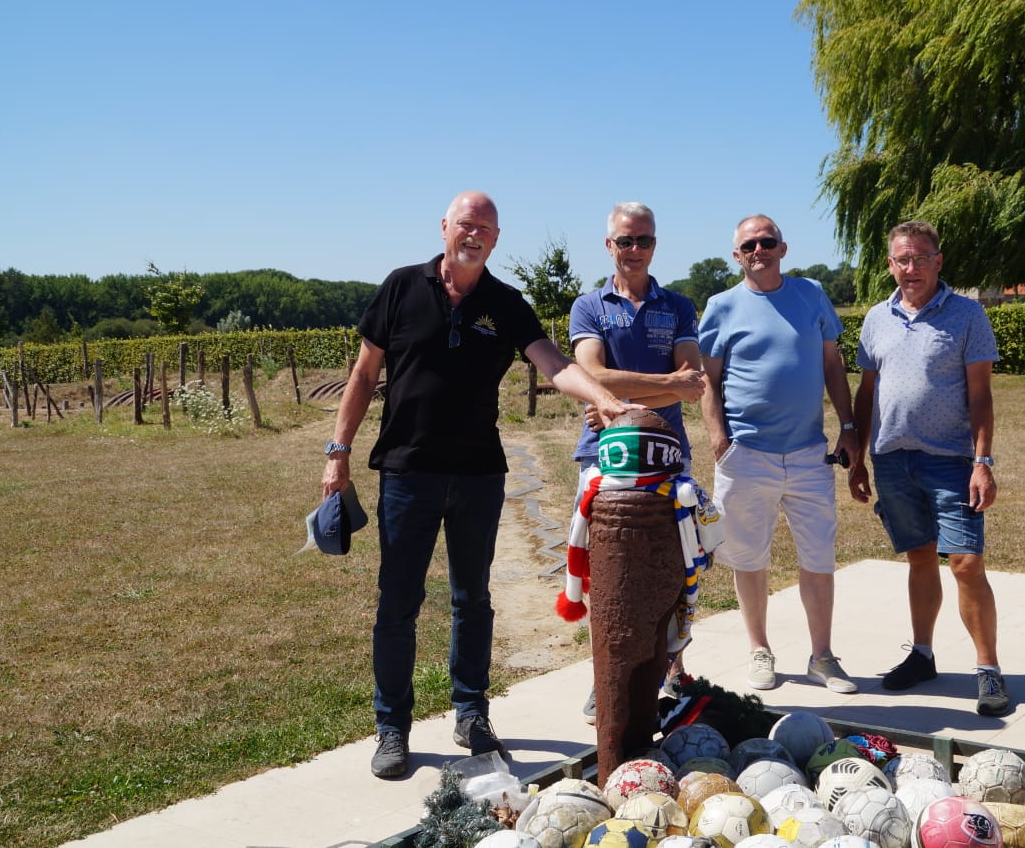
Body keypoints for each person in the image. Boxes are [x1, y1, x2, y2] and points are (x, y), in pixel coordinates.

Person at [321, 190, 634, 779]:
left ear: (496, 238)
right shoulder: (400, 287)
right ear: (444, 227)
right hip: (407, 473)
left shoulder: (505, 303)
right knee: (398, 602)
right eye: (467, 224)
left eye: (486, 229)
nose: (475, 235)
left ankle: (471, 713)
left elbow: (556, 364)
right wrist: (337, 453)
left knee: (474, 600)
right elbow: (364, 373)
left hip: (478, 475)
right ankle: (393, 728)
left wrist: (605, 398)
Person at [846, 220, 1010, 717]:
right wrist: (857, 451)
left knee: (966, 562)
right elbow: (868, 392)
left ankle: (989, 670)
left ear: (938, 261)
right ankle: (922, 655)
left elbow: (981, 397)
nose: (910, 268)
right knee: (919, 557)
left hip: (951, 461)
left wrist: (982, 462)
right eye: (901, 260)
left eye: (920, 258)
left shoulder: (967, 316)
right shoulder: (877, 318)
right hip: (892, 459)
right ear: (890, 265)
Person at [698, 213, 859, 695]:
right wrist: (718, 439)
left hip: (810, 453)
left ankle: (823, 657)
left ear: (783, 248)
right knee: (748, 557)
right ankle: (759, 649)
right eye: (748, 245)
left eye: (766, 242)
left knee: (819, 557)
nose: (758, 251)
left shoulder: (811, 295)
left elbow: (833, 364)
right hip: (746, 454)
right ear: (737, 255)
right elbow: (708, 378)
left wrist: (848, 426)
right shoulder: (721, 306)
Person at [568, 201, 706, 724]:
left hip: (669, 456)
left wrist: (624, 388)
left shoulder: (679, 306)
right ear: (609, 245)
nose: (633, 250)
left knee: (674, 565)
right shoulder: (588, 306)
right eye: (624, 241)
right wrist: (666, 384)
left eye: (642, 241)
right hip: (605, 453)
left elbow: (693, 386)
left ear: (655, 245)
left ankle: (671, 671)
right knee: (607, 572)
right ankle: (604, 677)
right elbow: (590, 377)